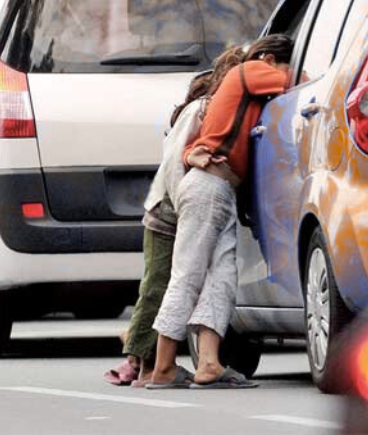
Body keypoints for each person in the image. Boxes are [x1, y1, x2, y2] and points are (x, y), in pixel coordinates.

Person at [147, 35, 294, 390]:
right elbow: (298, 81)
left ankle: (209, 363)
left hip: (220, 189)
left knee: (222, 277)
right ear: (269, 58)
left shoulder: (244, 83)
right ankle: (163, 366)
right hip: (208, 187)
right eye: (282, 63)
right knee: (189, 274)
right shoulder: (248, 71)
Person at [104, 46, 246, 387]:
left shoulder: (220, 113)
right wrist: (183, 208)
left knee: (178, 281)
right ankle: (141, 362)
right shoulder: (201, 110)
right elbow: (173, 163)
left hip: (181, 209)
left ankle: (153, 364)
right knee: (159, 285)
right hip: (167, 213)